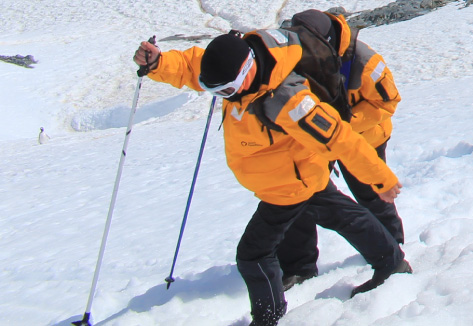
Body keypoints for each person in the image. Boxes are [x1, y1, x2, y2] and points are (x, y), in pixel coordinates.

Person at [133, 30, 408, 326]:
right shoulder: (239, 66)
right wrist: (158, 63)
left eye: (226, 91)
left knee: (253, 254)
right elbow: (195, 65)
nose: (224, 97)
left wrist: (380, 179)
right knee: (345, 216)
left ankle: (267, 319)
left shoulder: (287, 100)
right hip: (296, 175)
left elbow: (339, 138)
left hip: (288, 185)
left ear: (247, 70)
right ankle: (393, 265)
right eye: (216, 91)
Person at [269, 10, 405, 282]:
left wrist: (342, 125)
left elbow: (387, 103)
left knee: (371, 192)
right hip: (322, 137)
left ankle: (393, 243)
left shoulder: (365, 61)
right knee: (302, 193)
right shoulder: (302, 52)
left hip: (365, 138)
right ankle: (298, 267)